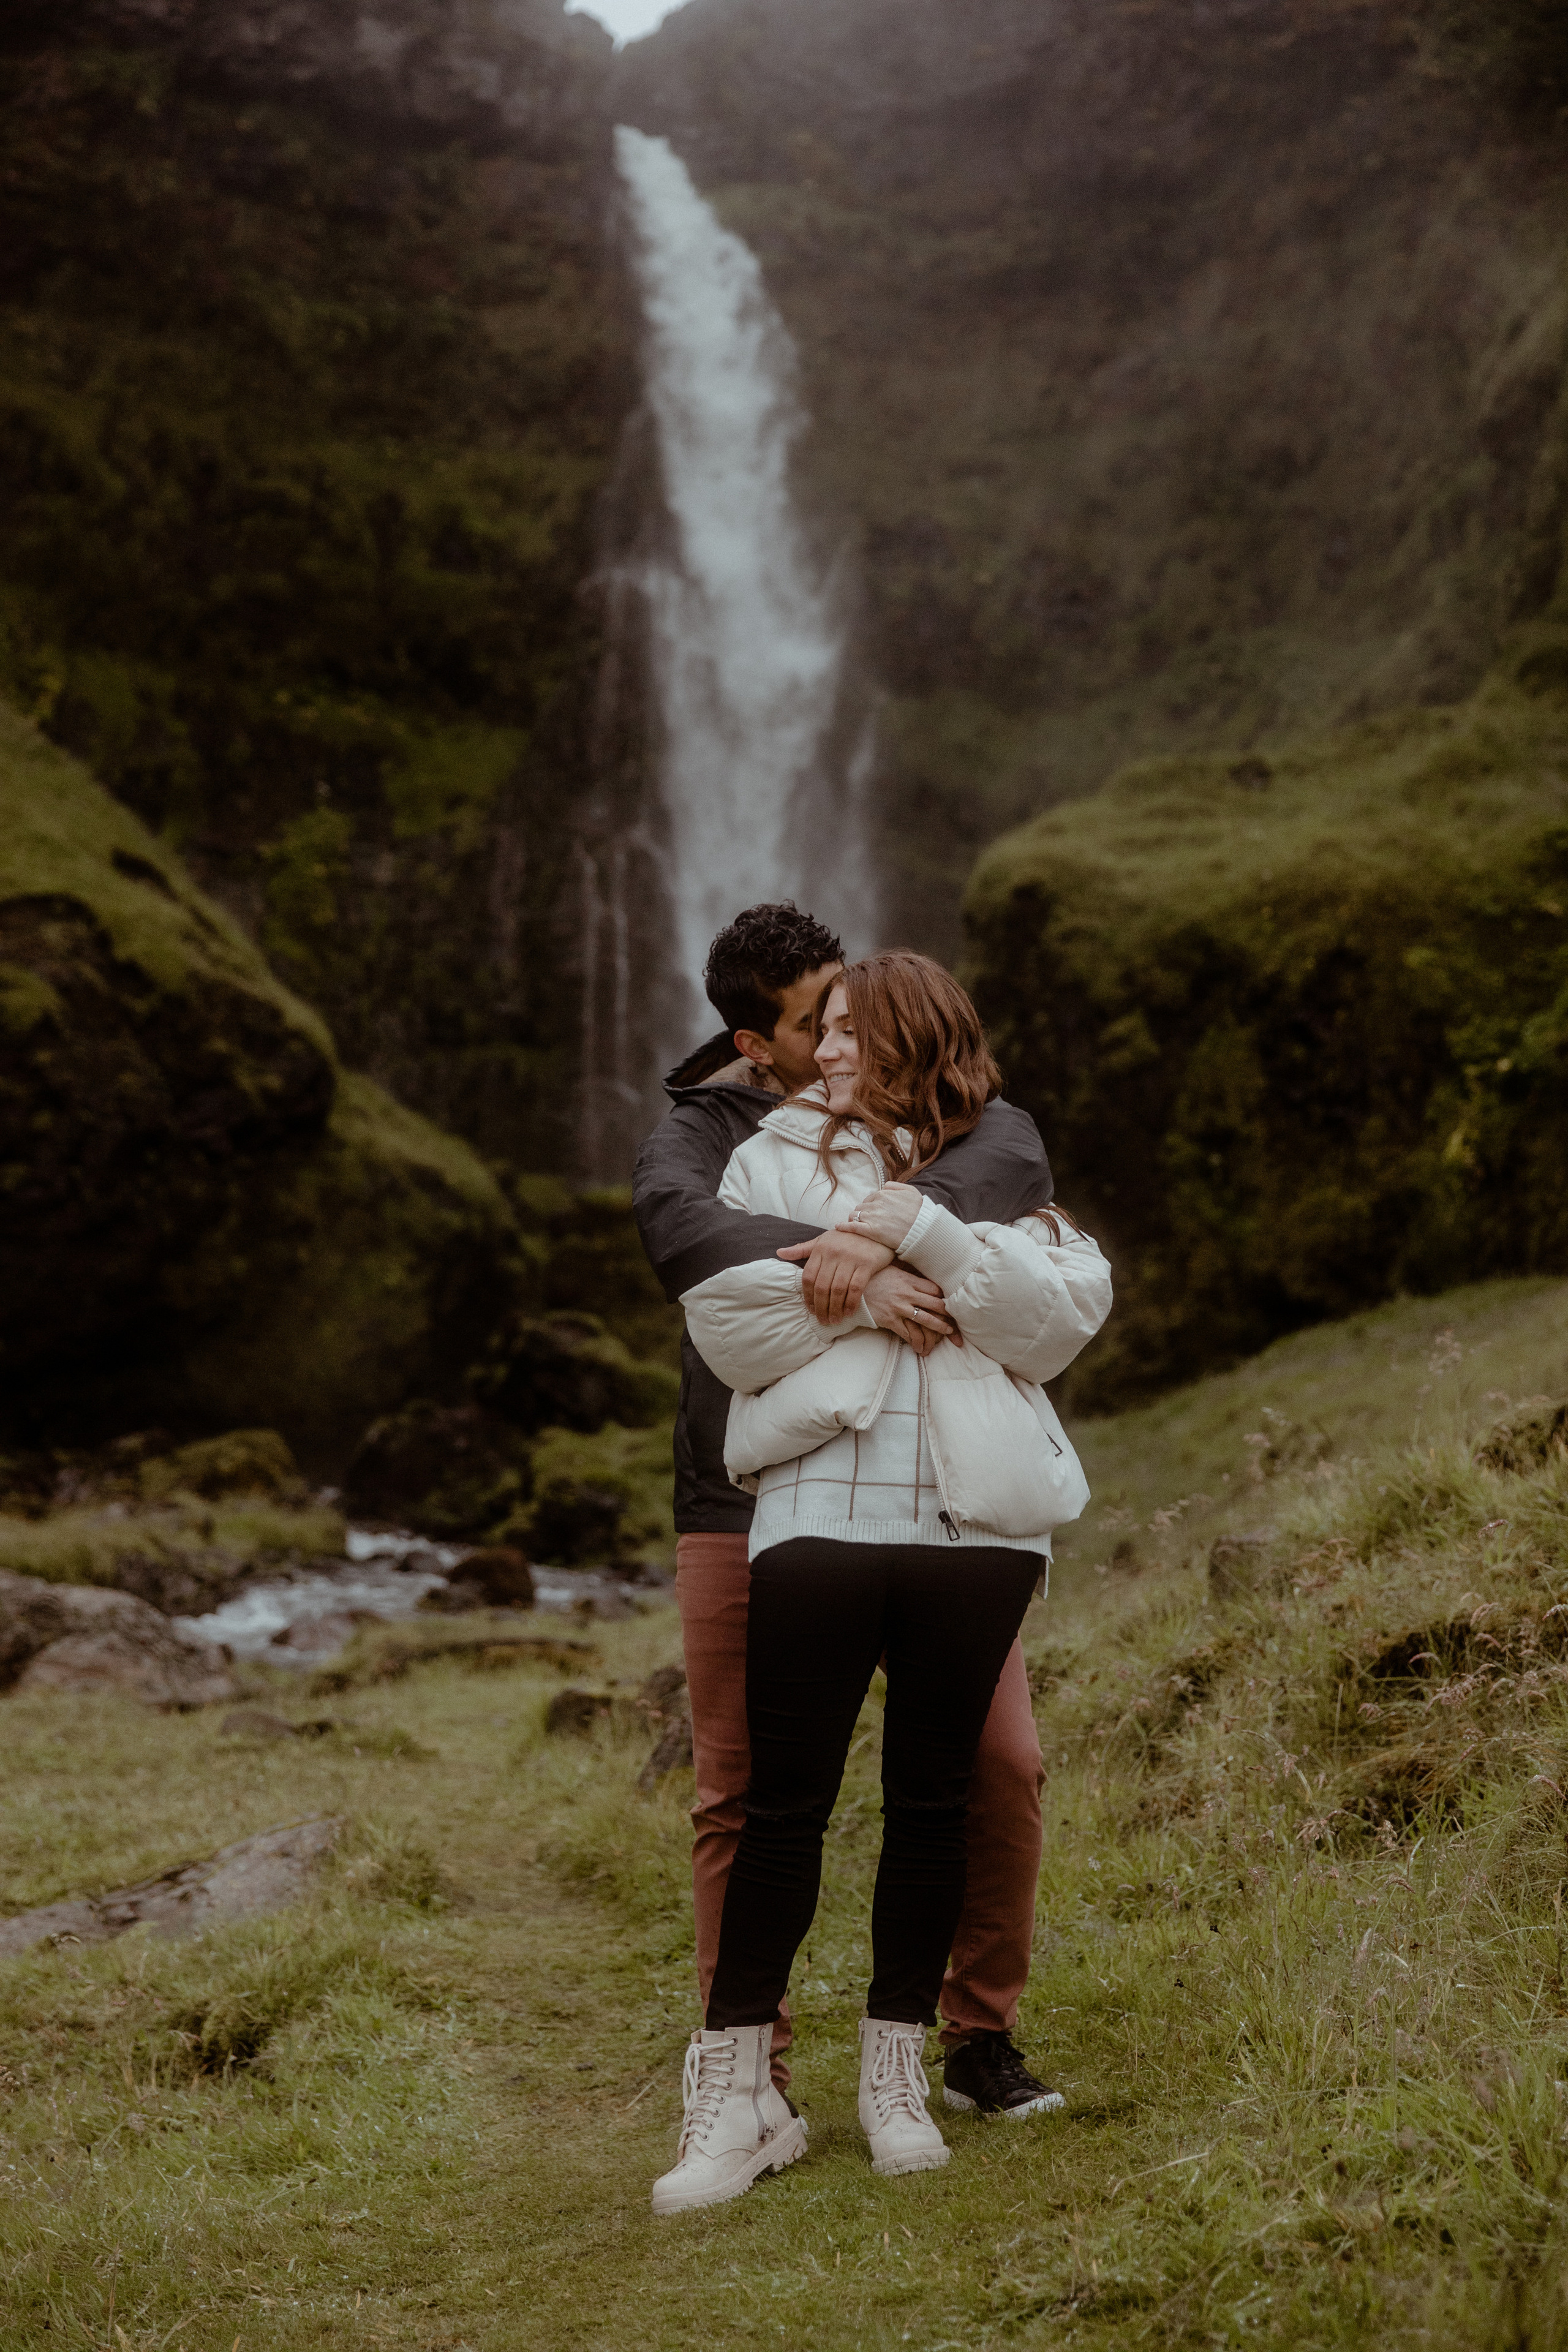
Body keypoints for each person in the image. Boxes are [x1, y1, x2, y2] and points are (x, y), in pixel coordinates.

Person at [643, 949, 1112, 2214]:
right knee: (778, 1802)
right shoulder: (761, 1154)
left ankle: (897, 2075)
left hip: (975, 1521)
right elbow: (729, 1327)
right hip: (816, 1507)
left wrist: (917, 1231)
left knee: (934, 1797)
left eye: (852, 1029)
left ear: (915, 1035)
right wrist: (869, 1293)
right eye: (818, 1026)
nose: (824, 1050)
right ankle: (735, 2093)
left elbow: (1055, 1323)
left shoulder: (999, 1157)